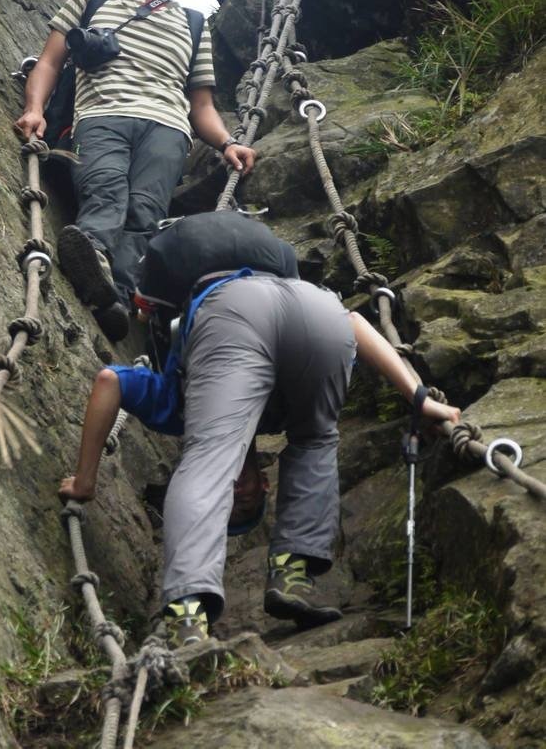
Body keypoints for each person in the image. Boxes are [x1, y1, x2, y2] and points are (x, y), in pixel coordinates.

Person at [59, 215, 462, 648]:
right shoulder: (266, 416)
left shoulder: (176, 407)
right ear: (264, 483)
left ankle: (187, 612)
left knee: (210, 460)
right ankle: (291, 575)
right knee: (316, 439)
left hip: (246, 308)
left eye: (228, 505)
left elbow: (109, 382)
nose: (235, 492)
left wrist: (85, 481)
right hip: (311, 303)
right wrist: (419, 398)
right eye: (246, 501)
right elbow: (352, 323)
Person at [15, 0, 256, 342]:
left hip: (167, 129)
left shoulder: (193, 25)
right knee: (105, 187)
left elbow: (199, 104)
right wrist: (35, 108)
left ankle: (116, 297)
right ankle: (90, 253)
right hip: (101, 115)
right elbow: (50, 61)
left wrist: (226, 143)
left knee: (145, 214)